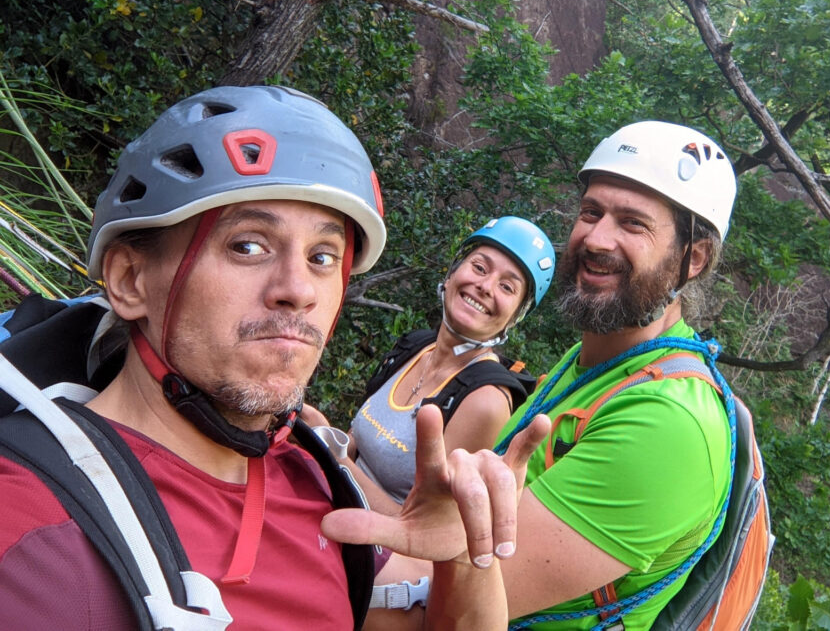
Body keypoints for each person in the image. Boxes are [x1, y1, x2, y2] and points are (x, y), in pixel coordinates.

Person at [0, 85, 548, 631]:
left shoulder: (312, 481)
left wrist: (462, 560)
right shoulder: (32, 537)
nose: (298, 290)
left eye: (322, 256)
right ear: (130, 279)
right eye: (248, 245)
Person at [368, 119, 738, 629]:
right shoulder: (592, 361)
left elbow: (440, 612)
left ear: (692, 258)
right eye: (591, 212)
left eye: (633, 223)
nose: (596, 239)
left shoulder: (669, 426)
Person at [347, 215, 554, 513]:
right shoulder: (414, 346)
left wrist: (337, 462)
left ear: (516, 316)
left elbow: (421, 530)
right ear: (452, 273)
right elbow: (357, 442)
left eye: (507, 287)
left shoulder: (485, 401)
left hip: (378, 555)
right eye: (479, 267)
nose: (485, 286)